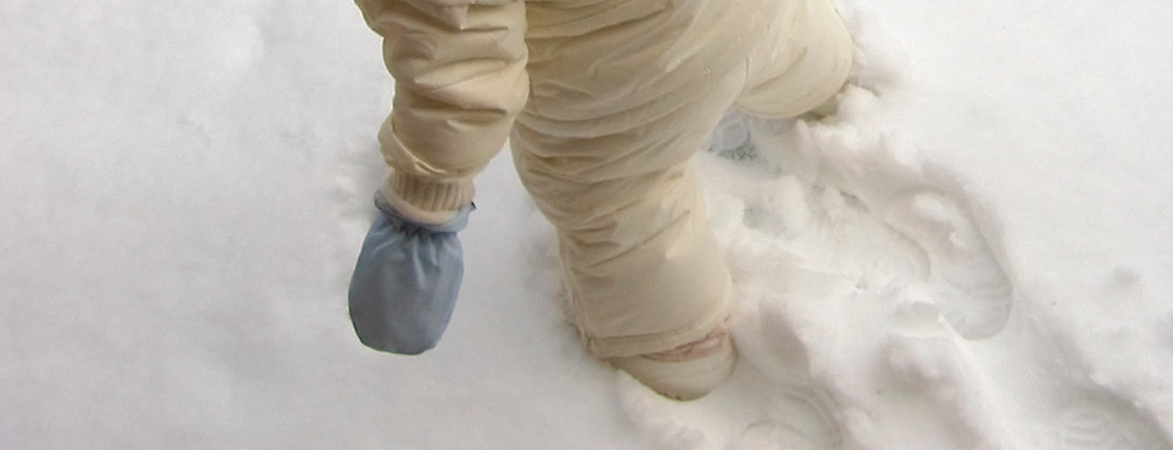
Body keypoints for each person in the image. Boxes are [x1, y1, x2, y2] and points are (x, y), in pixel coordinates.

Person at [342, 0, 854, 401]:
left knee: (614, 195)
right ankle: (828, 84)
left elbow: (458, 63)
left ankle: (677, 348)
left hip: (623, 69)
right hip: (755, 12)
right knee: (786, 42)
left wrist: (424, 206)